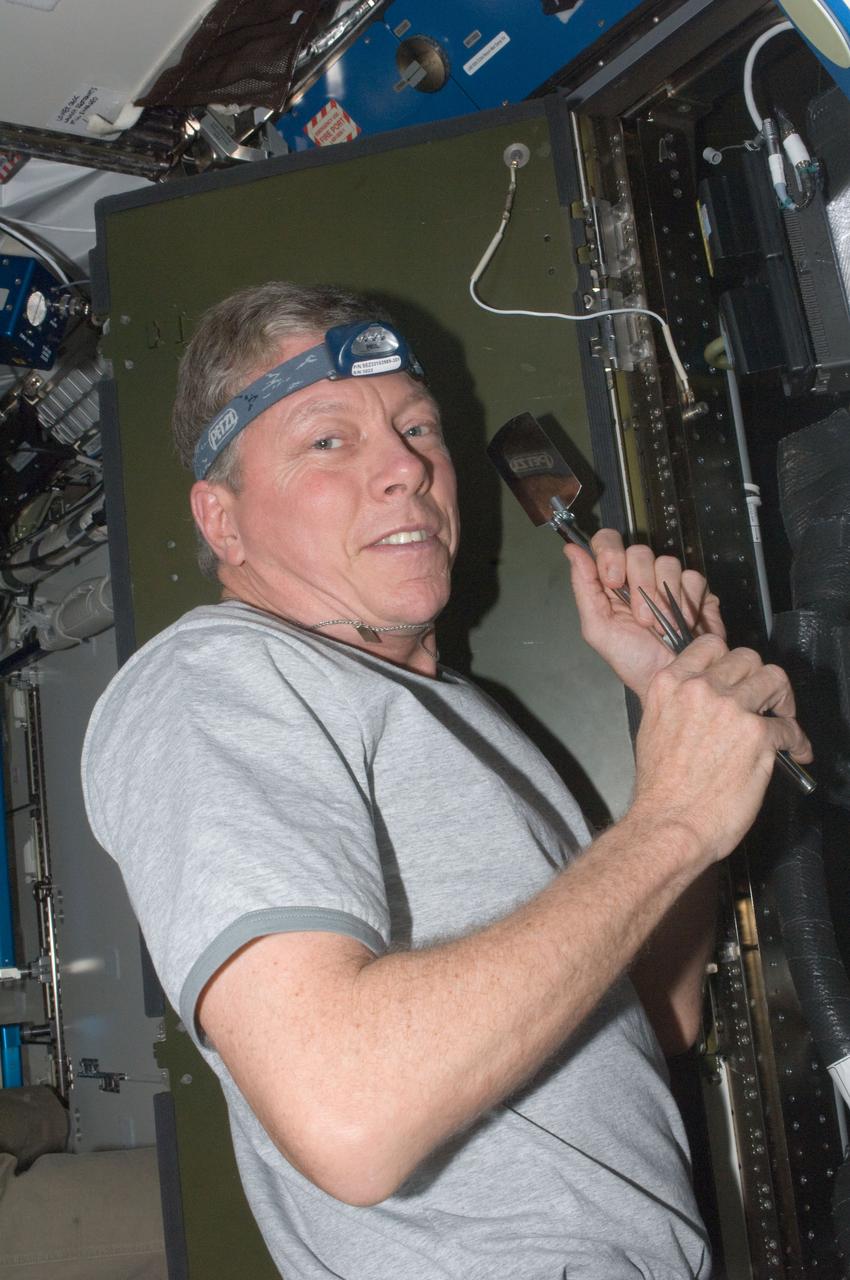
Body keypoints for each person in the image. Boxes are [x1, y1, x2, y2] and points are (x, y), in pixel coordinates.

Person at [82, 281, 811, 1280]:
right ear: (224, 518)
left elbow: (655, 1011)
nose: (403, 468)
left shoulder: (465, 712)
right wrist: (672, 820)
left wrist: (665, 701)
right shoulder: (213, 680)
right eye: (327, 441)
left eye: (416, 425)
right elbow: (349, 1113)